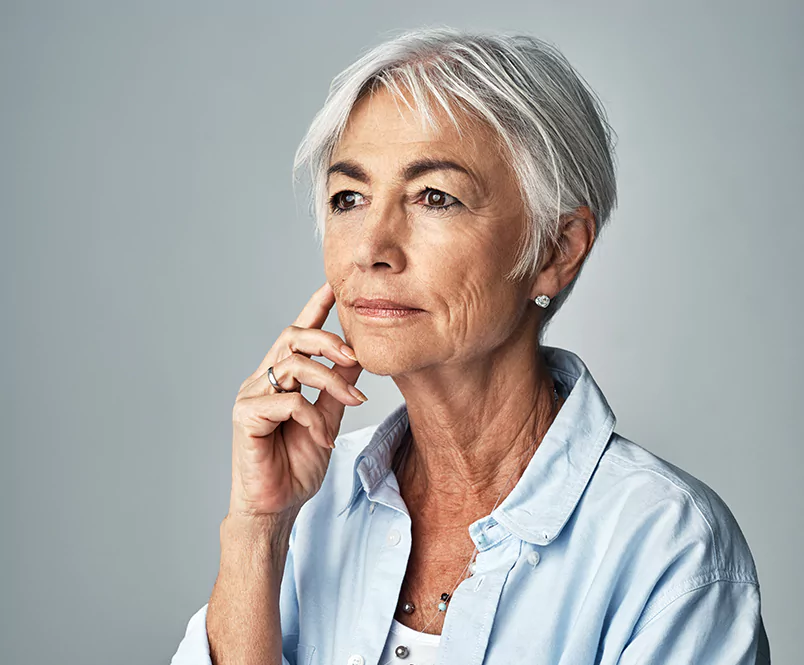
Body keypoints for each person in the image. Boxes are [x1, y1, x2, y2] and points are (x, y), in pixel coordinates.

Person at [171, 26, 770, 665]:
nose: (371, 249)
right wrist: (257, 532)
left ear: (556, 250)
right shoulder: (307, 503)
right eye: (349, 198)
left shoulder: (669, 550)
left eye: (435, 197)